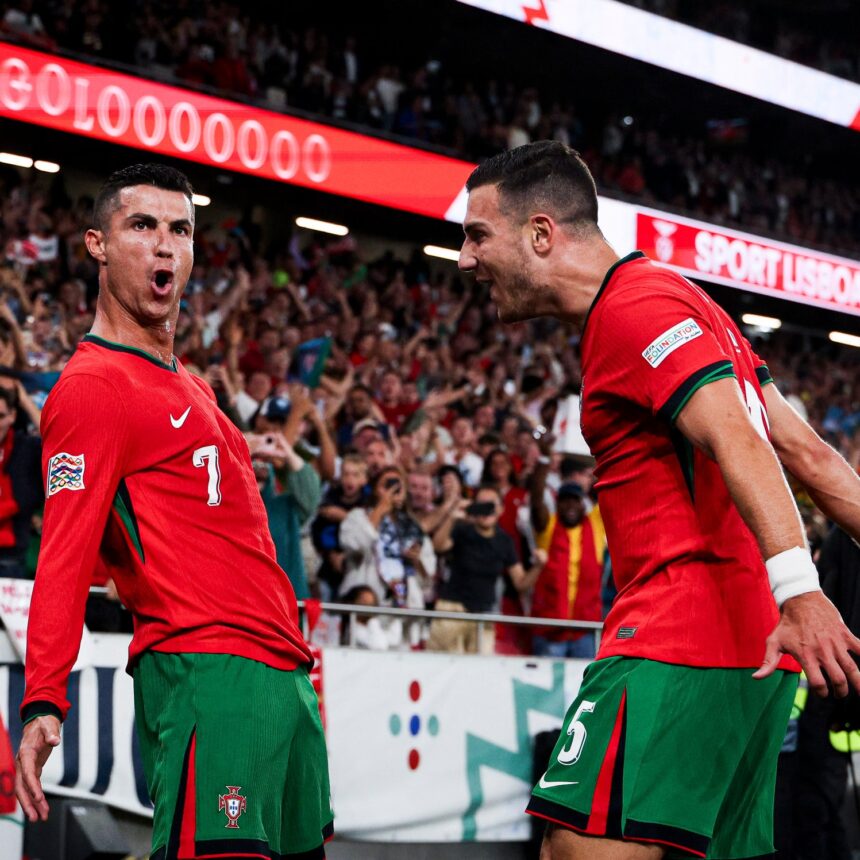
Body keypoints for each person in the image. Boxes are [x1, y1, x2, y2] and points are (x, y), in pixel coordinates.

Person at [458, 141, 860, 860]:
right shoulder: (685, 301)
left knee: (577, 849)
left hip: (679, 643)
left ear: (541, 233)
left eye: (476, 234)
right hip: (758, 662)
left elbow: (741, 440)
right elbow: (811, 456)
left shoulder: (631, 312)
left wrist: (802, 592)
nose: (464, 258)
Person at [15, 164, 333, 859]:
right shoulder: (93, 387)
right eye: (143, 226)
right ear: (97, 244)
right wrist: (44, 696)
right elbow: (65, 553)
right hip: (207, 671)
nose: (165, 246)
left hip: (284, 674)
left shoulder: (191, 383)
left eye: (180, 230)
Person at [429, 484, 546, 654]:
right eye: (481, 504)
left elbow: (520, 583)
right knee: (441, 666)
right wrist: (452, 518)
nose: (486, 510)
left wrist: (538, 566)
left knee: (481, 673)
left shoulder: (505, 541)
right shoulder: (461, 530)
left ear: (501, 509)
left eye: (490, 505)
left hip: (484, 614)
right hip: (452, 611)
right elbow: (439, 546)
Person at [529, 475, 606, 660]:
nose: (570, 505)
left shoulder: (595, 525)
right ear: (557, 504)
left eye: (575, 500)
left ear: (583, 504)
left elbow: (609, 492)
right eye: (565, 501)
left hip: (585, 632)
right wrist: (543, 460)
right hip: (549, 632)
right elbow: (537, 502)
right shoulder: (548, 526)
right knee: (545, 689)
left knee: (585, 688)